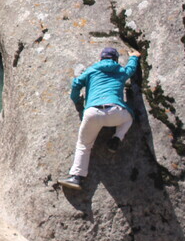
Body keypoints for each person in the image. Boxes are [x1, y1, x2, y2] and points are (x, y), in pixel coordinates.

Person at [59, 47, 141, 191]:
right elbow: (131, 69)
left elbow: (76, 84)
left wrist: (76, 99)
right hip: (115, 111)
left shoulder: (92, 70)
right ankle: (117, 138)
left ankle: (76, 177)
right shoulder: (120, 71)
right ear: (115, 59)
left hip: (93, 112)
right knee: (129, 118)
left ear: (101, 58)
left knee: (84, 145)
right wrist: (134, 57)